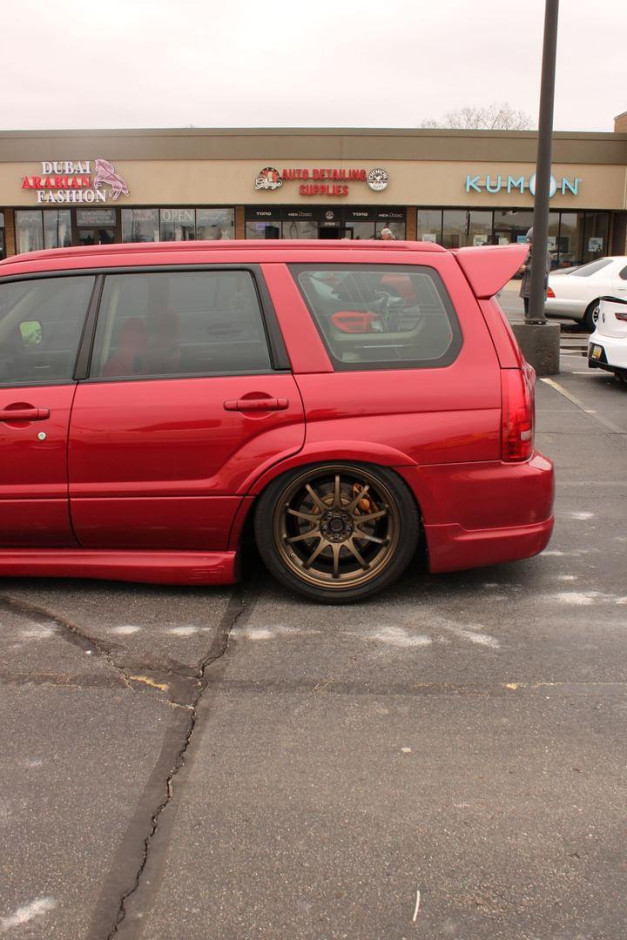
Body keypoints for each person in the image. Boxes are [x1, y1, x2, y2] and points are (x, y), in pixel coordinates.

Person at [519, 227, 552, 317]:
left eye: (531, 242)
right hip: (527, 291)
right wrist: (522, 269)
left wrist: (527, 268)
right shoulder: (530, 253)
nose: (529, 244)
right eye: (528, 242)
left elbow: (543, 271)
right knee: (527, 315)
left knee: (533, 316)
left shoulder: (545, 254)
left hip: (536, 292)